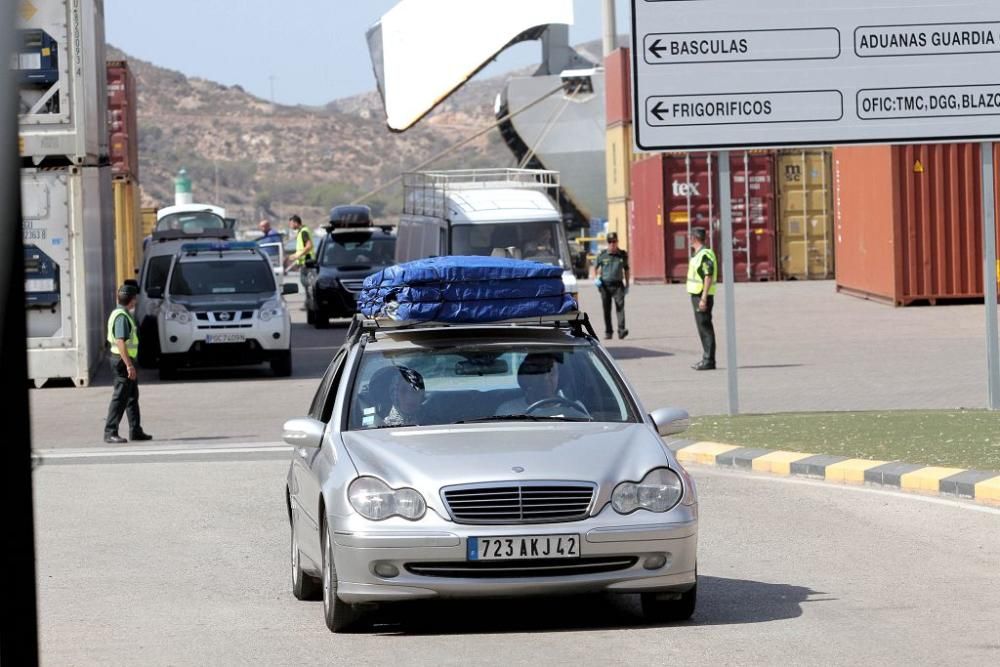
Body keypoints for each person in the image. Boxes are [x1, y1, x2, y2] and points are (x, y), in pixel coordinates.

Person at [103, 283, 152, 443]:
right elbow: (120, 341)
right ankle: (110, 432)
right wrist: (129, 365)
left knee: (131, 397)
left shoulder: (120, 313)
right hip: (122, 361)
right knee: (120, 398)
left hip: (124, 360)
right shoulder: (122, 317)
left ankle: (135, 430)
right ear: (133, 300)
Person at [496, 353, 589, 419]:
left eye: (552, 373)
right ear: (526, 377)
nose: (545, 378)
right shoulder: (508, 411)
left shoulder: (575, 408)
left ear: (559, 377)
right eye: (540, 373)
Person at [687, 228, 718, 371]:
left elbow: (708, 276)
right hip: (697, 295)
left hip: (701, 296)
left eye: (690, 237)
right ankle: (707, 358)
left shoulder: (704, 255)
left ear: (694, 238)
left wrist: (704, 298)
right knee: (702, 327)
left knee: (705, 328)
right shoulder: (698, 254)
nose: (689, 239)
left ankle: (708, 360)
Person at [594, 232, 629, 340]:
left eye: (614, 242)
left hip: (618, 285)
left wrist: (627, 284)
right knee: (606, 309)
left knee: (620, 308)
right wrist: (596, 279)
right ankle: (608, 332)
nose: (612, 244)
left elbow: (626, 269)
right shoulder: (602, 255)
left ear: (617, 242)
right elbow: (595, 267)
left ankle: (621, 330)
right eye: (610, 242)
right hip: (605, 286)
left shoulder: (622, 254)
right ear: (607, 243)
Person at [284, 214, 315, 288]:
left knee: (305, 281)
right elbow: (302, 248)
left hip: (307, 261)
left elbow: (309, 246)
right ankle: (310, 297)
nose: (290, 226)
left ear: (295, 223)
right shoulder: (302, 231)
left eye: (291, 224)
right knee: (306, 282)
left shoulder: (303, 232)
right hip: (305, 261)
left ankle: (310, 297)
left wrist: (298, 255)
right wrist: (294, 255)